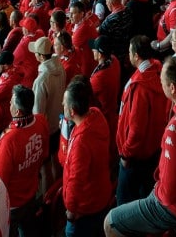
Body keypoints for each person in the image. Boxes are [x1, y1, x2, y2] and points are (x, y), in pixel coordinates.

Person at [105, 57, 176, 237]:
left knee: (111, 222)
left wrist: (157, 187)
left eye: (162, 83)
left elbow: (168, 195)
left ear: (172, 88)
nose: (160, 86)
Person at [115, 37, 167, 206]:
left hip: (136, 155)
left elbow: (136, 128)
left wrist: (125, 154)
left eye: (130, 52)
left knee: (124, 201)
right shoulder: (157, 69)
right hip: (154, 147)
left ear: (136, 56)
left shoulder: (139, 87)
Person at [61, 79, 112, 237]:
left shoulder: (81, 143)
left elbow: (76, 180)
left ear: (73, 110)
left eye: (64, 104)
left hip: (85, 209)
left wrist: (71, 209)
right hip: (101, 195)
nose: (62, 106)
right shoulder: (96, 115)